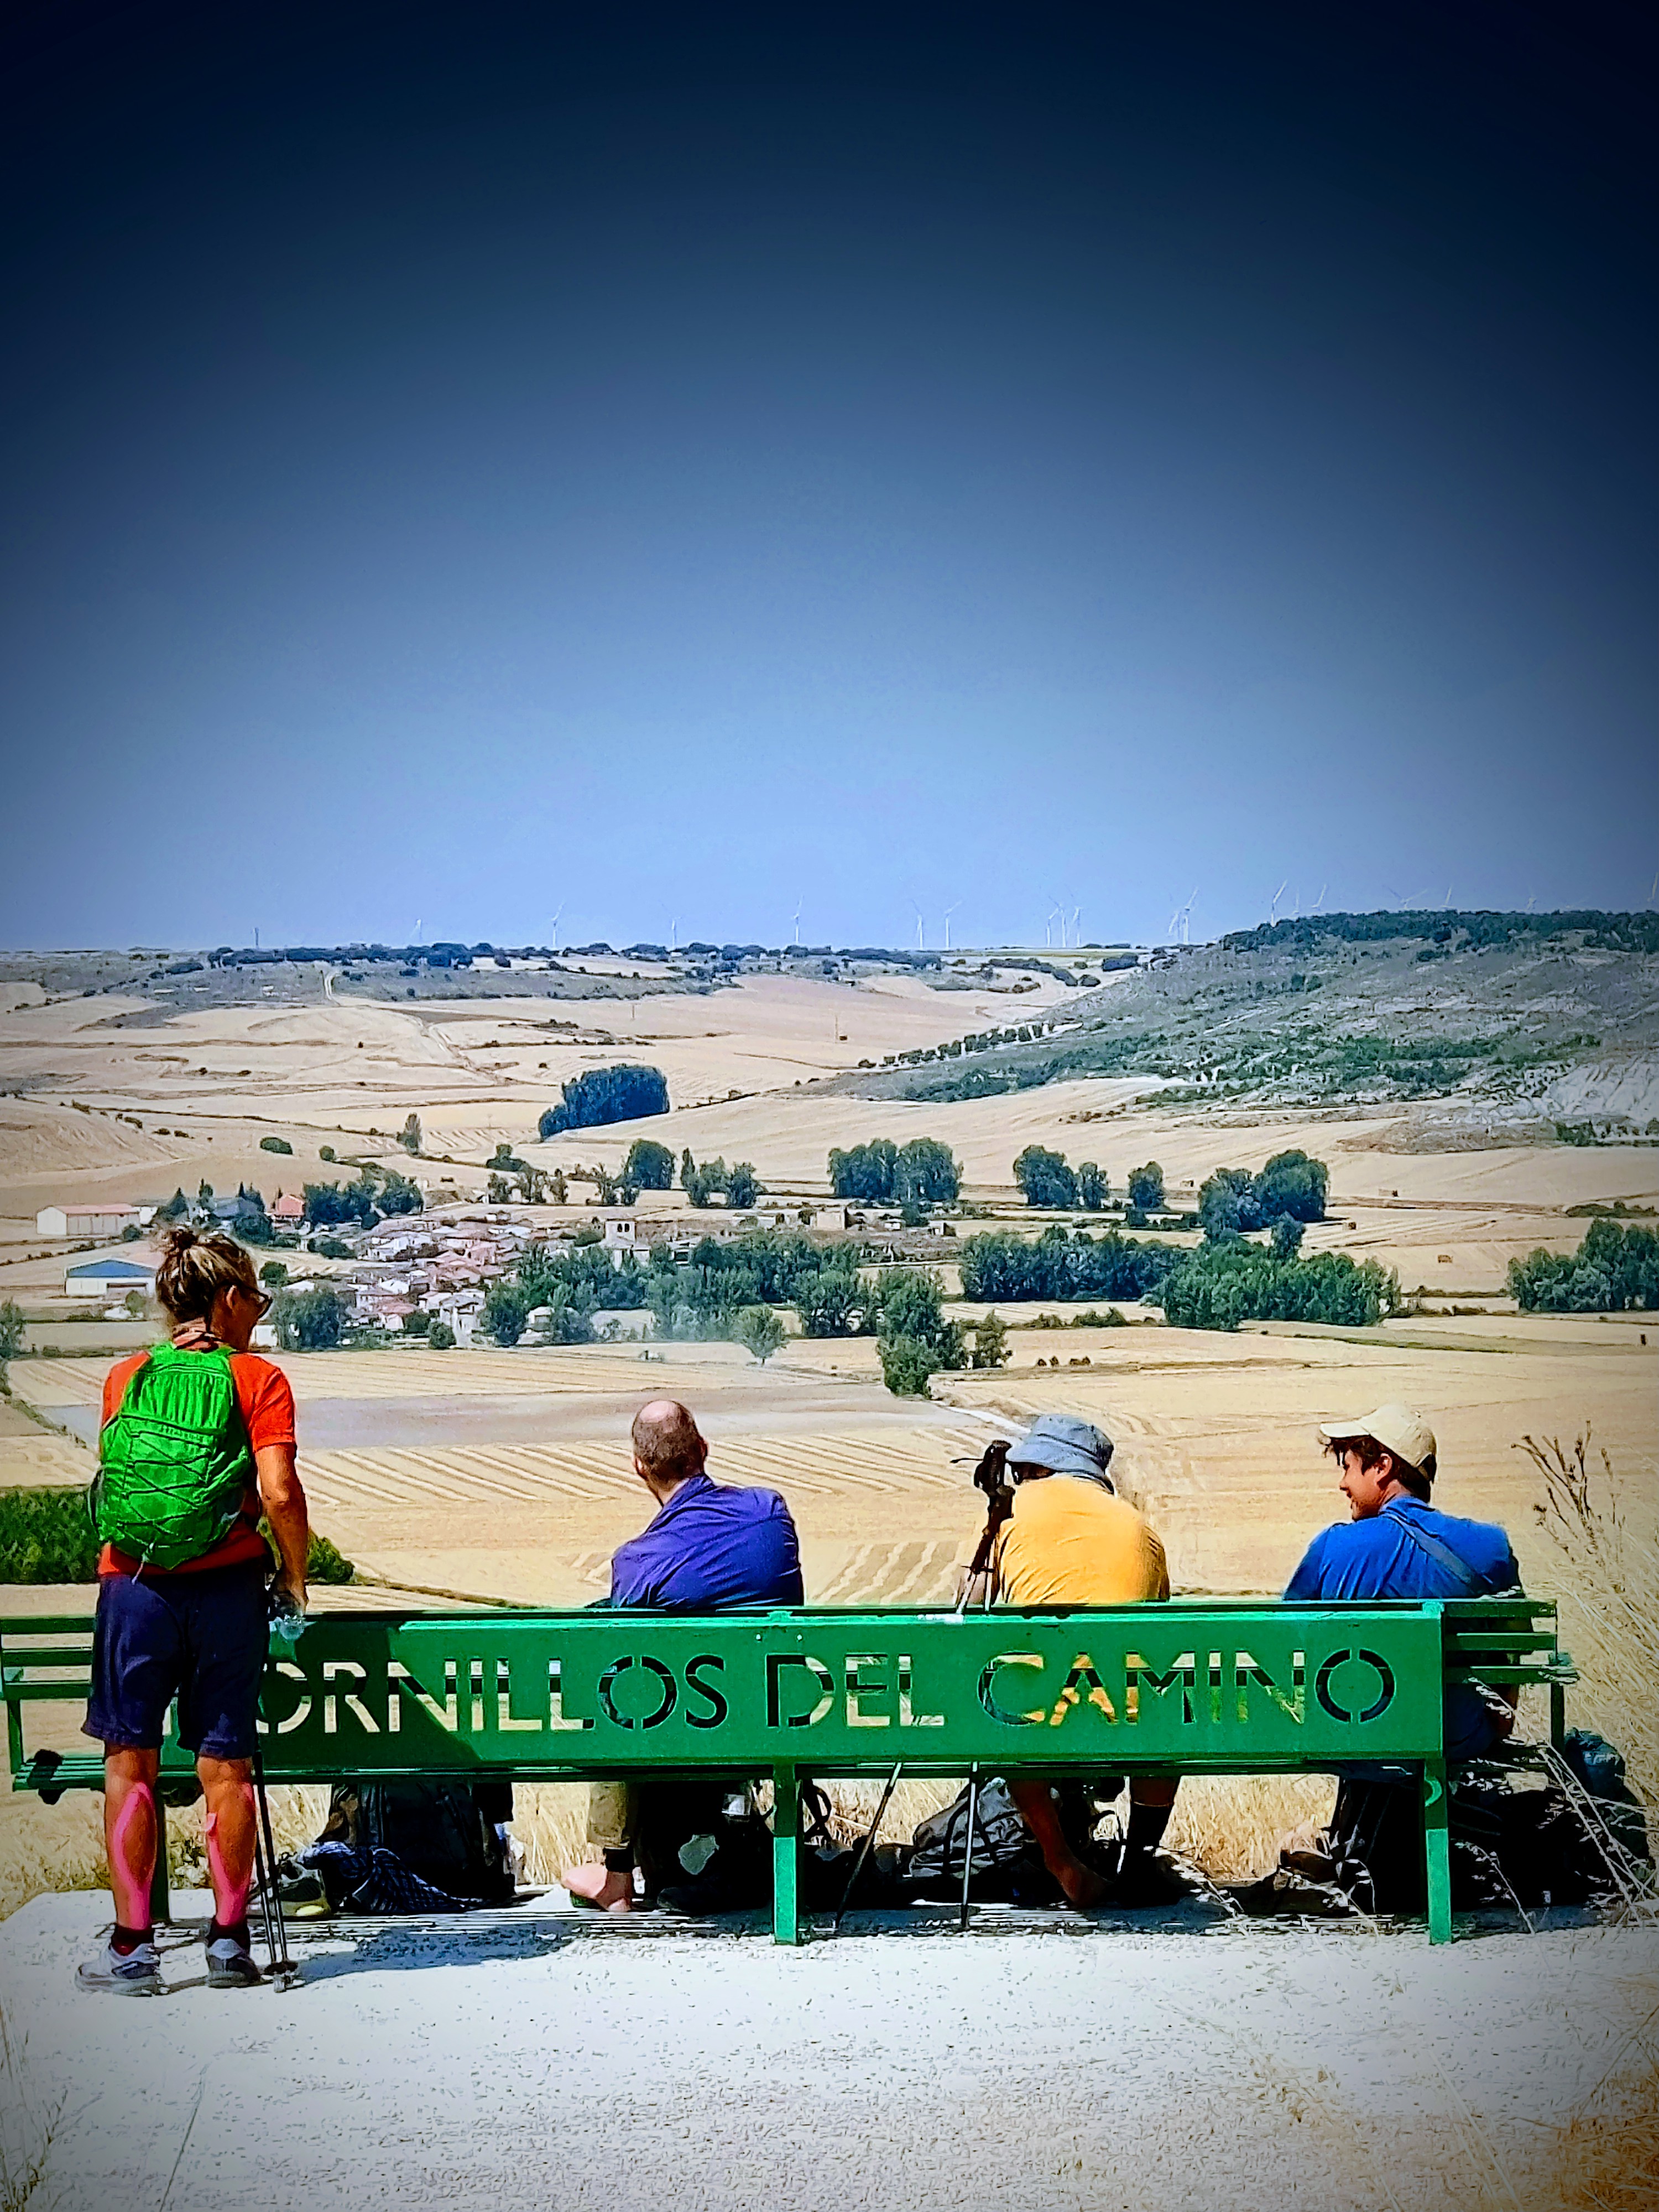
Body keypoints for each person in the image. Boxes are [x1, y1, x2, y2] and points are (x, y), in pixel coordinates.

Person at [77, 1229, 310, 1995]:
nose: (258, 1314)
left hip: (133, 1587)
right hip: (226, 1590)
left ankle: (131, 1948)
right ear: (228, 1300)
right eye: (256, 1299)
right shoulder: (257, 1380)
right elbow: (278, 1492)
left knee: (128, 1764)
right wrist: (295, 1582)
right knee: (226, 1768)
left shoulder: (126, 1378)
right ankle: (228, 1944)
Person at [561, 1399, 803, 1911]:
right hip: (780, 1718)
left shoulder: (638, 1561)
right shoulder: (770, 1512)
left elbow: (628, 1659)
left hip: (696, 1729)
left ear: (639, 1468)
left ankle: (617, 1876)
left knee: (616, 1682)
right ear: (703, 1450)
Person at [1285, 1401, 1522, 1907]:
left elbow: (1286, 1644)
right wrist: (1500, 1714)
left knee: (1368, 1718)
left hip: (1357, 1736)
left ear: (1383, 1466)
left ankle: (1362, 1864)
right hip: (1455, 1734)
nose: (1342, 1485)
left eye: (1348, 1467)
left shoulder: (1334, 1547)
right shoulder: (1491, 1548)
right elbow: (1511, 1645)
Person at [988, 1413, 1179, 1908]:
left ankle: (1060, 1860)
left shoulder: (1008, 1514)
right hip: (1128, 1721)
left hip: (1032, 1721)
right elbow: (1160, 1639)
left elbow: (974, 1621)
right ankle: (1137, 1866)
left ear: (1035, 1469)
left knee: (1012, 1693)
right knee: (1155, 1702)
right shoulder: (1139, 1526)